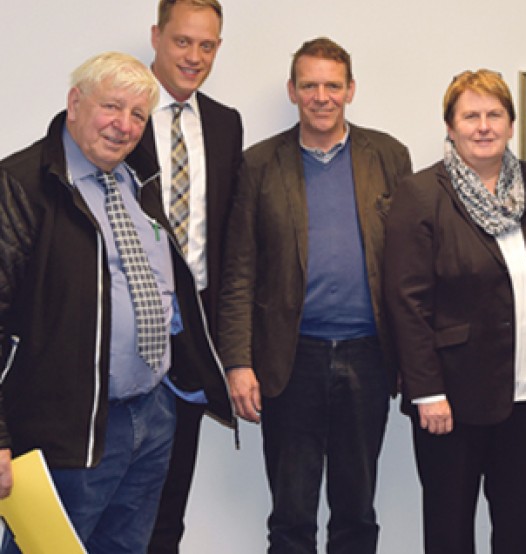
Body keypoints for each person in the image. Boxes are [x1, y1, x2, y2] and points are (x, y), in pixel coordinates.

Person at [0, 51, 233, 554]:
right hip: (66, 428)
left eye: (138, 115)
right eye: (112, 107)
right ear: (74, 103)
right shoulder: (21, 185)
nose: (123, 126)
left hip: (150, 417)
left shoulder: (137, 182)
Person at [217, 37, 411, 553]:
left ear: (350, 90)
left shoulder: (389, 156)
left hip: (369, 356)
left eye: (332, 85)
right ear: (292, 91)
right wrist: (238, 362)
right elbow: (239, 270)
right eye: (309, 85)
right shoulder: (259, 164)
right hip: (289, 359)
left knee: (356, 512)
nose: (321, 96)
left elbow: (411, 266)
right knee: (291, 514)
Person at [384, 70, 526, 554]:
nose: (483, 126)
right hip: (452, 400)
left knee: (522, 528)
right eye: (470, 116)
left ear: (510, 123)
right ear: (450, 125)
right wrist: (426, 392)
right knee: (449, 530)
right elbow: (406, 300)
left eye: (494, 115)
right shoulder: (422, 193)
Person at [124, 2, 244, 551]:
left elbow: (225, 239)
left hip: (191, 340)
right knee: (110, 502)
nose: (194, 57)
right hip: (121, 340)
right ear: (156, 36)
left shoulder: (225, 123)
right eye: (182, 42)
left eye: (207, 46)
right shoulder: (117, 112)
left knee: (169, 504)